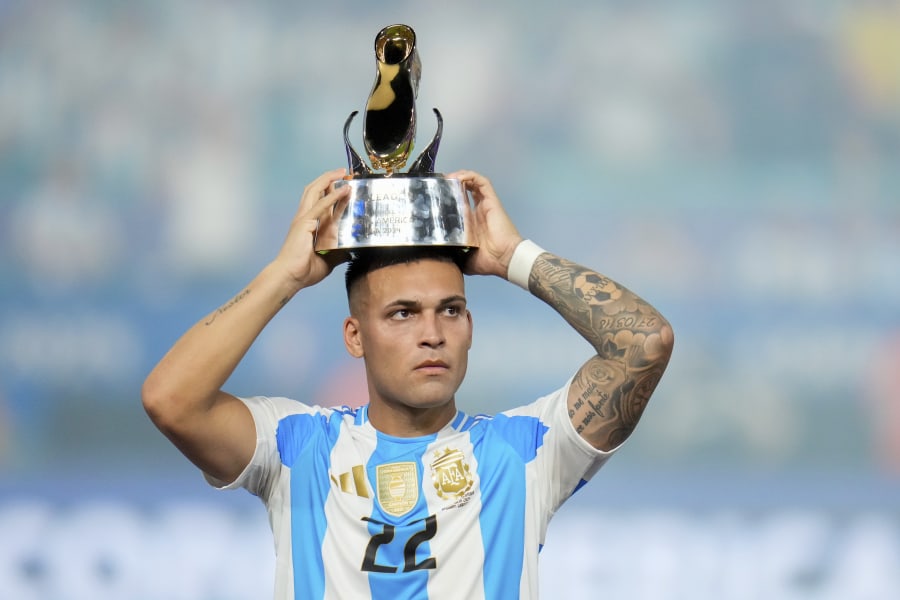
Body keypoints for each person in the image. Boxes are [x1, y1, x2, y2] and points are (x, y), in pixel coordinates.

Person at [142, 168, 674, 599]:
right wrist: (284, 275)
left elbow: (644, 342)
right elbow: (172, 400)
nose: (432, 334)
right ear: (355, 336)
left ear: (470, 327)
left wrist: (515, 257)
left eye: (451, 310)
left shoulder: (526, 452)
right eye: (402, 314)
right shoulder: (296, 446)